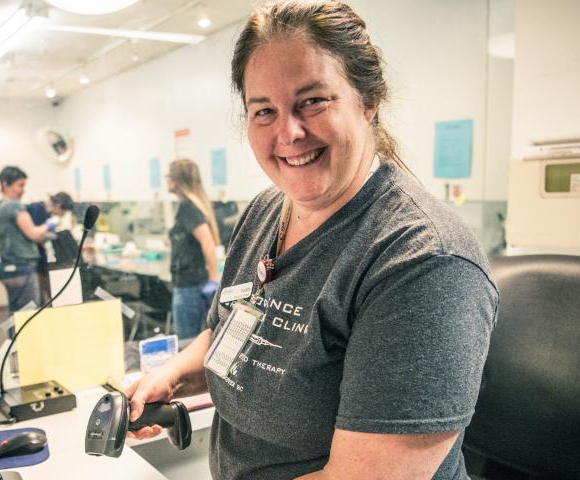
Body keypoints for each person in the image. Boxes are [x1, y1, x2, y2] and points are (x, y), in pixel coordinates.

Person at [124, 2, 497, 479]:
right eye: (264, 111)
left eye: (313, 101)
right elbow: (231, 331)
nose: (290, 132)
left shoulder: (424, 261)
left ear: (368, 101)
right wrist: (172, 375)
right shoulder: (264, 211)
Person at [164, 159, 221, 340]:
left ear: (177, 180)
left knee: (187, 342)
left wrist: (213, 279)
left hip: (190, 287)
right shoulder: (190, 205)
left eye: (168, 176)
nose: (166, 180)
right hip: (190, 285)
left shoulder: (188, 207)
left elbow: (207, 243)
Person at [0, 166, 52, 314]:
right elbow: (34, 234)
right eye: (20, 185)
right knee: (29, 314)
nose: (23, 190)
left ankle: (12, 337)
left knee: (15, 313)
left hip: (6, 268)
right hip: (22, 267)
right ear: (5, 184)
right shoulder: (14, 206)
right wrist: (49, 224)